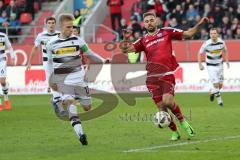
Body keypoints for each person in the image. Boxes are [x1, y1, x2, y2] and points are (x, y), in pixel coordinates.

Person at [120, 12, 208, 141]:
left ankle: (183, 122)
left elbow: (189, 34)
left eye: (152, 20)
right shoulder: (143, 40)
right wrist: (126, 39)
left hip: (166, 74)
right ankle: (175, 132)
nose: (149, 22)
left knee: (167, 102)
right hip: (151, 78)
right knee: (161, 108)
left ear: (156, 21)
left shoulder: (167, 32)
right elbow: (125, 50)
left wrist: (200, 24)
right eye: (147, 21)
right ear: (144, 24)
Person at [46, 13, 109, 145]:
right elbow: (50, 64)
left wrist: (103, 60)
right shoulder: (51, 44)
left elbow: (90, 53)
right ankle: (81, 134)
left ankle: (71, 100)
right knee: (71, 105)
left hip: (80, 80)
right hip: (64, 81)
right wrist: (50, 80)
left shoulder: (78, 40)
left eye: (72, 27)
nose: (71, 29)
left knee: (87, 107)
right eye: (68, 27)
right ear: (61, 27)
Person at [26, 16, 60, 93]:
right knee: (51, 78)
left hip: (58, 59)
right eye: (49, 23)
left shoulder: (59, 35)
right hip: (47, 60)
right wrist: (29, 62)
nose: (51, 25)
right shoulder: (41, 35)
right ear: (46, 24)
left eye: (53, 23)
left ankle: (55, 94)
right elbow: (35, 48)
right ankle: (51, 89)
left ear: (55, 24)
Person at [198, 28, 229, 106]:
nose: (213, 35)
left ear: (217, 34)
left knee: (220, 86)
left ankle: (212, 91)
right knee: (216, 84)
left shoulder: (221, 42)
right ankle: (220, 101)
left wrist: (227, 61)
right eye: (211, 33)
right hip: (210, 66)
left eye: (214, 33)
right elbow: (199, 53)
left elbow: (225, 51)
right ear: (209, 35)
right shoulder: (206, 43)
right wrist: (200, 64)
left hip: (220, 65)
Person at [0, 32, 15, 111]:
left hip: (2, 59)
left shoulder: (3, 35)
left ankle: (6, 98)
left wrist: (12, 58)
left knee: (2, 82)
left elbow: (10, 47)